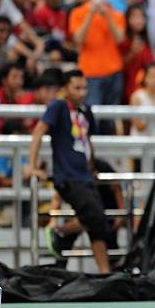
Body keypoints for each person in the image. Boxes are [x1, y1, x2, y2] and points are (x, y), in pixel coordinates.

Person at [25, 70, 113, 274]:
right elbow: (39, 131)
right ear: (65, 89)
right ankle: (60, 232)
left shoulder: (85, 111)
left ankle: (105, 272)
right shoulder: (58, 107)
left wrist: (92, 167)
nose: (82, 93)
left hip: (85, 175)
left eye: (85, 88)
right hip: (68, 177)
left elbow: (87, 142)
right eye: (77, 88)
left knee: (95, 225)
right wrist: (32, 165)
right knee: (96, 218)